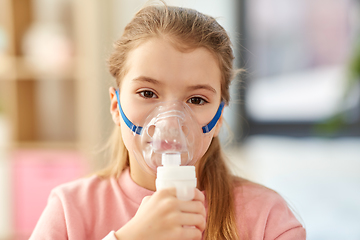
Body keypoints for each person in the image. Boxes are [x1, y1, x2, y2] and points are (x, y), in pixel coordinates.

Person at [30, 3, 306, 240]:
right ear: (116, 106)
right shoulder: (69, 211)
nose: (171, 124)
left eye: (196, 100)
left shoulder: (268, 219)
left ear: (219, 116)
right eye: (147, 93)